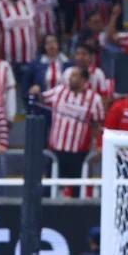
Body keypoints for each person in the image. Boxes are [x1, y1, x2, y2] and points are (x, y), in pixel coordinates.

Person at [41, 66, 104, 197]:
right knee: (49, 189)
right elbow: (40, 99)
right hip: (56, 150)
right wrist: (35, 92)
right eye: (71, 75)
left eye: (75, 75)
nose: (71, 78)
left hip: (79, 153)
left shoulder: (94, 99)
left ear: (84, 79)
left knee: (77, 190)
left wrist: (97, 145)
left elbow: (99, 124)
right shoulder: (59, 91)